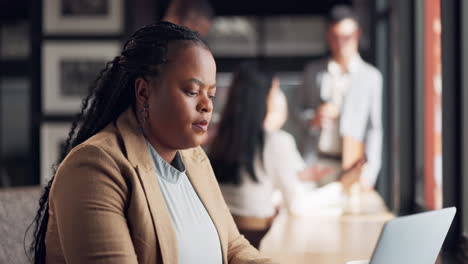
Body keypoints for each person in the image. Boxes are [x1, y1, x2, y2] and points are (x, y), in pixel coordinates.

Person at [30, 22, 274, 264]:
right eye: (192, 91)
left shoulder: (195, 159)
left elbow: (232, 246)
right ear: (143, 92)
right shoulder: (94, 168)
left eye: (210, 94)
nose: (207, 105)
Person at [209, 62, 363, 249]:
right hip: (258, 239)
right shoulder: (275, 141)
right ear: (264, 98)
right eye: (276, 91)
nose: (280, 98)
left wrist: (298, 176)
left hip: (221, 240)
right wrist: (341, 186)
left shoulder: (216, 137)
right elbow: (298, 206)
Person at [296, 5, 383, 190]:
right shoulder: (313, 72)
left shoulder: (371, 77)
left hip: (351, 166)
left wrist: (370, 174)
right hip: (316, 163)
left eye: (347, 37)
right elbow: (297, 113)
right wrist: (314, 118)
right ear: (328, 36)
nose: (341, 43)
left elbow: (374, 129)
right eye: (335, 37)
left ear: (357, 34)